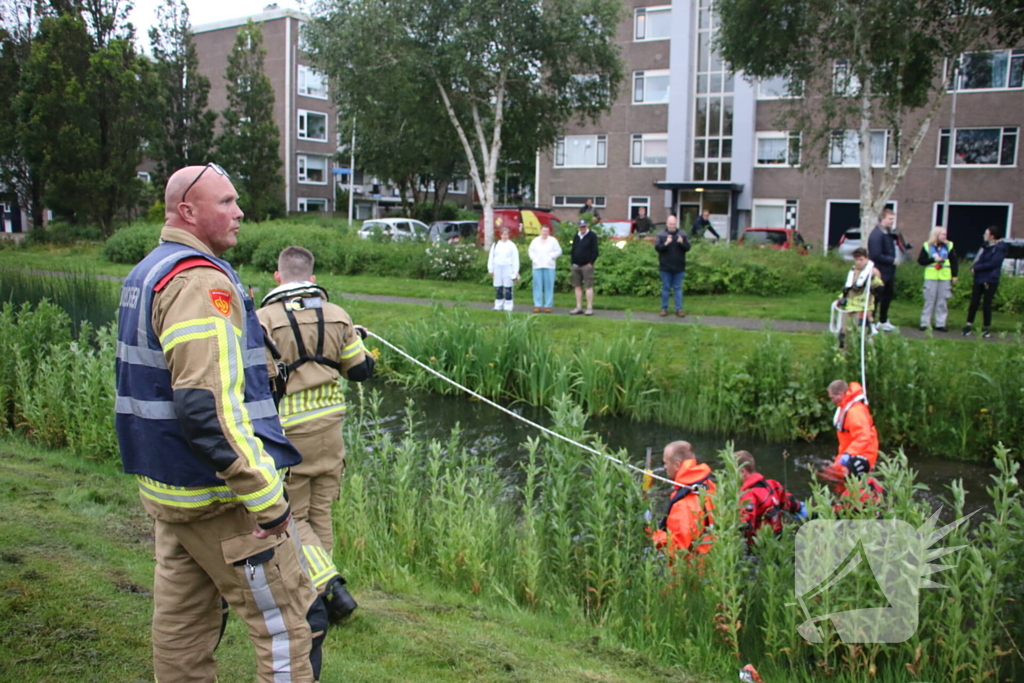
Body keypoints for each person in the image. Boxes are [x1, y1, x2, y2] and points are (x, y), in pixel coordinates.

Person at [114, 165, 326, 683]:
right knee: (285, 627)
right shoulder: (199, 282)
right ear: (188, 211)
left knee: (182, 627)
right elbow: (208, 409)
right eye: (227, 202)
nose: (240, 212)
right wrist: (267, 501)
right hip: (222, 499)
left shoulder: (149, 271)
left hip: (172, 492)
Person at [257, 246, 375, 624]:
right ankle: (322, 593)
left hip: (292, 434)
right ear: (311, 276)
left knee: (293, 517)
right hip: (331, 430)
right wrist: (355, 339)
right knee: (320, 514)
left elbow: (256, 381)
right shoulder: (338, 315)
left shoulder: (262, 320)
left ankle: (328, 587)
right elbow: (359, 371)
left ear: (278, 277)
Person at [649, 441, 715, 557]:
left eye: (665, 463)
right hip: (712, 562)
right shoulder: (709, 485)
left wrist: (652, 532)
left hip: (693, 570)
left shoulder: (683, 503)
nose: (664, 467)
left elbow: (678, 549)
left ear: (677, 465)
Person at [735, 450, 806, 544]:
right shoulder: (772, 484)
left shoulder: (748, 495)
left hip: (758, 546)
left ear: (742, 471)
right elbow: (789, 502)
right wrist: (800, 507)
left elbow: (744, 524)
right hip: (778, 538)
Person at [826, 379, 879, 476]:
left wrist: (848, 454)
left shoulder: (855, 413)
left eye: (832, 397)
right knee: (832, 472)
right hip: (851, 450)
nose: (831, 400)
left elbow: (864, 437)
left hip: (862, 453)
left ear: (840, 394)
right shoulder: (846, 406)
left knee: (845, 479)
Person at [963, 225, 1008, 338]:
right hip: (979, 277)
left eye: (986, 233)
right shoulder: (985, 247)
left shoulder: (1000, 248)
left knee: (986, 304)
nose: (984, 235)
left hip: (990, 278)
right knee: (974, 302)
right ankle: (968, 325)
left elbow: (994, 263)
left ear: (992, 235)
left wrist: (977, 268)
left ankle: (986, 328)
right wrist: (974, 267)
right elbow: (979, 259)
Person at [835, 247, 883, 349]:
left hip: (864, 308)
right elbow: (849, 289)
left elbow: (879, 289)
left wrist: (872, 279)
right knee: (844, 332)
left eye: (861, 259)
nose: (858, 262)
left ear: (866, 258)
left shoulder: (873, 271)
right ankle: (843, 355)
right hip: (850, 308)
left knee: (863, 334)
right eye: (856, 260)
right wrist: (840, 298)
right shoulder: (853, 271)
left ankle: (866, 356)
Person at [918, 226, 959, 331]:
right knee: (929, 300)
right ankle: (925, 323)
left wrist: (954, 275)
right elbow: (921, 260)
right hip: (931, 276)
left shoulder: (949, 246)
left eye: (945, 234)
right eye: (943, 234)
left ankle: (940, 323)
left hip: (945, 276)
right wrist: (933, 259)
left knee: (942, 301)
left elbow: (954, 261)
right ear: (936, 235)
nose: (945, 236)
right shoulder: (927, 246)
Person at [867, 207, 898, 331]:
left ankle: (883, 320)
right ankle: (871, 322)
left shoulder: (888, 233)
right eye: (890, 219)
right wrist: (892, 260)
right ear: (882, 219)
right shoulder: (876, 234)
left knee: (888, 296)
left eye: (893, 219)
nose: (892, 221)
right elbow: (875, 254)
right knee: (876, 297)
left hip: (889, 272)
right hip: (879, 271)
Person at [654, 214, 690, 317]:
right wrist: (666, 243)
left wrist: (682, 243)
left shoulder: (682, 234)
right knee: (665, 288)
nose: (672, 226)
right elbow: (657, 248)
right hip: (665, 266)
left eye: (674, 224)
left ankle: (679, 309)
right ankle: (664, 308)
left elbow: (688, 248)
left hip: (679, 266)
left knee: (677, 288)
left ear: (676, 223)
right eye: (670, 224)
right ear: (667, 223)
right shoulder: (661, 235)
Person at [527, 224, 562, 313]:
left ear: (549, 232)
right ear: (540, 231)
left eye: (547, 231)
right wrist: (533, 258)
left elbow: (559, 251)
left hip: (549, 266)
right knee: (537, 285)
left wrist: (551, 256)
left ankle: (548, 305)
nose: (545, 233)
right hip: (537, 266)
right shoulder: (535, 241)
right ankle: (537, 305)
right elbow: (530, 250)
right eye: (543, 231)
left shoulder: (553, 241)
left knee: (549, 286)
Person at [569, 219, 598, 316]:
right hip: (576, 265)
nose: (583, 228)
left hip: (586, 265)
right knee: (577, 286)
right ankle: (578, 307)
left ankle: (589, 307)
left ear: (587, 226)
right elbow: (573, 249)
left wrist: (591, 263)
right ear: (579, 227)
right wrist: (572, 262)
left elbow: (595, 251)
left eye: (584, 226)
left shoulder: (592, 236)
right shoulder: (576, 236)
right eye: (581, 227)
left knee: (588, 286)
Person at [487, 226, 520, 311]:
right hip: (497, 267)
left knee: (508, 287)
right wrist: (490, 269)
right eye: (503, 234)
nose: (505, 236)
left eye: (506, 234)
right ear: (500, 235)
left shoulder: (512, 245)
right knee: (498, 287)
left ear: (509, 235)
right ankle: (498, 305)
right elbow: (491, 257)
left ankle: (508, 306)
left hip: (508, 268)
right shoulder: (496, 245)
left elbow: (515, 259)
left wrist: (515, 271)